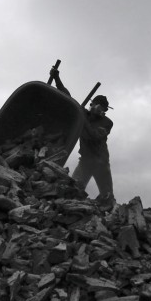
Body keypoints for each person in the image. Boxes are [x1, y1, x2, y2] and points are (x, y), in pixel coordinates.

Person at [49, 65, 116, 209]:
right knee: (73, 191)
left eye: (103, 109)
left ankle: (113, 220)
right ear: (92, 104)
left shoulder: (107, 122)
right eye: (99, 106)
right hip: (85, 162)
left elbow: (94, 136)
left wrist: (82, 118)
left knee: (108, 197)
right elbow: (68, 96)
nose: (101, 110)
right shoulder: (83, 114)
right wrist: (57, 78)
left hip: (101, 163)